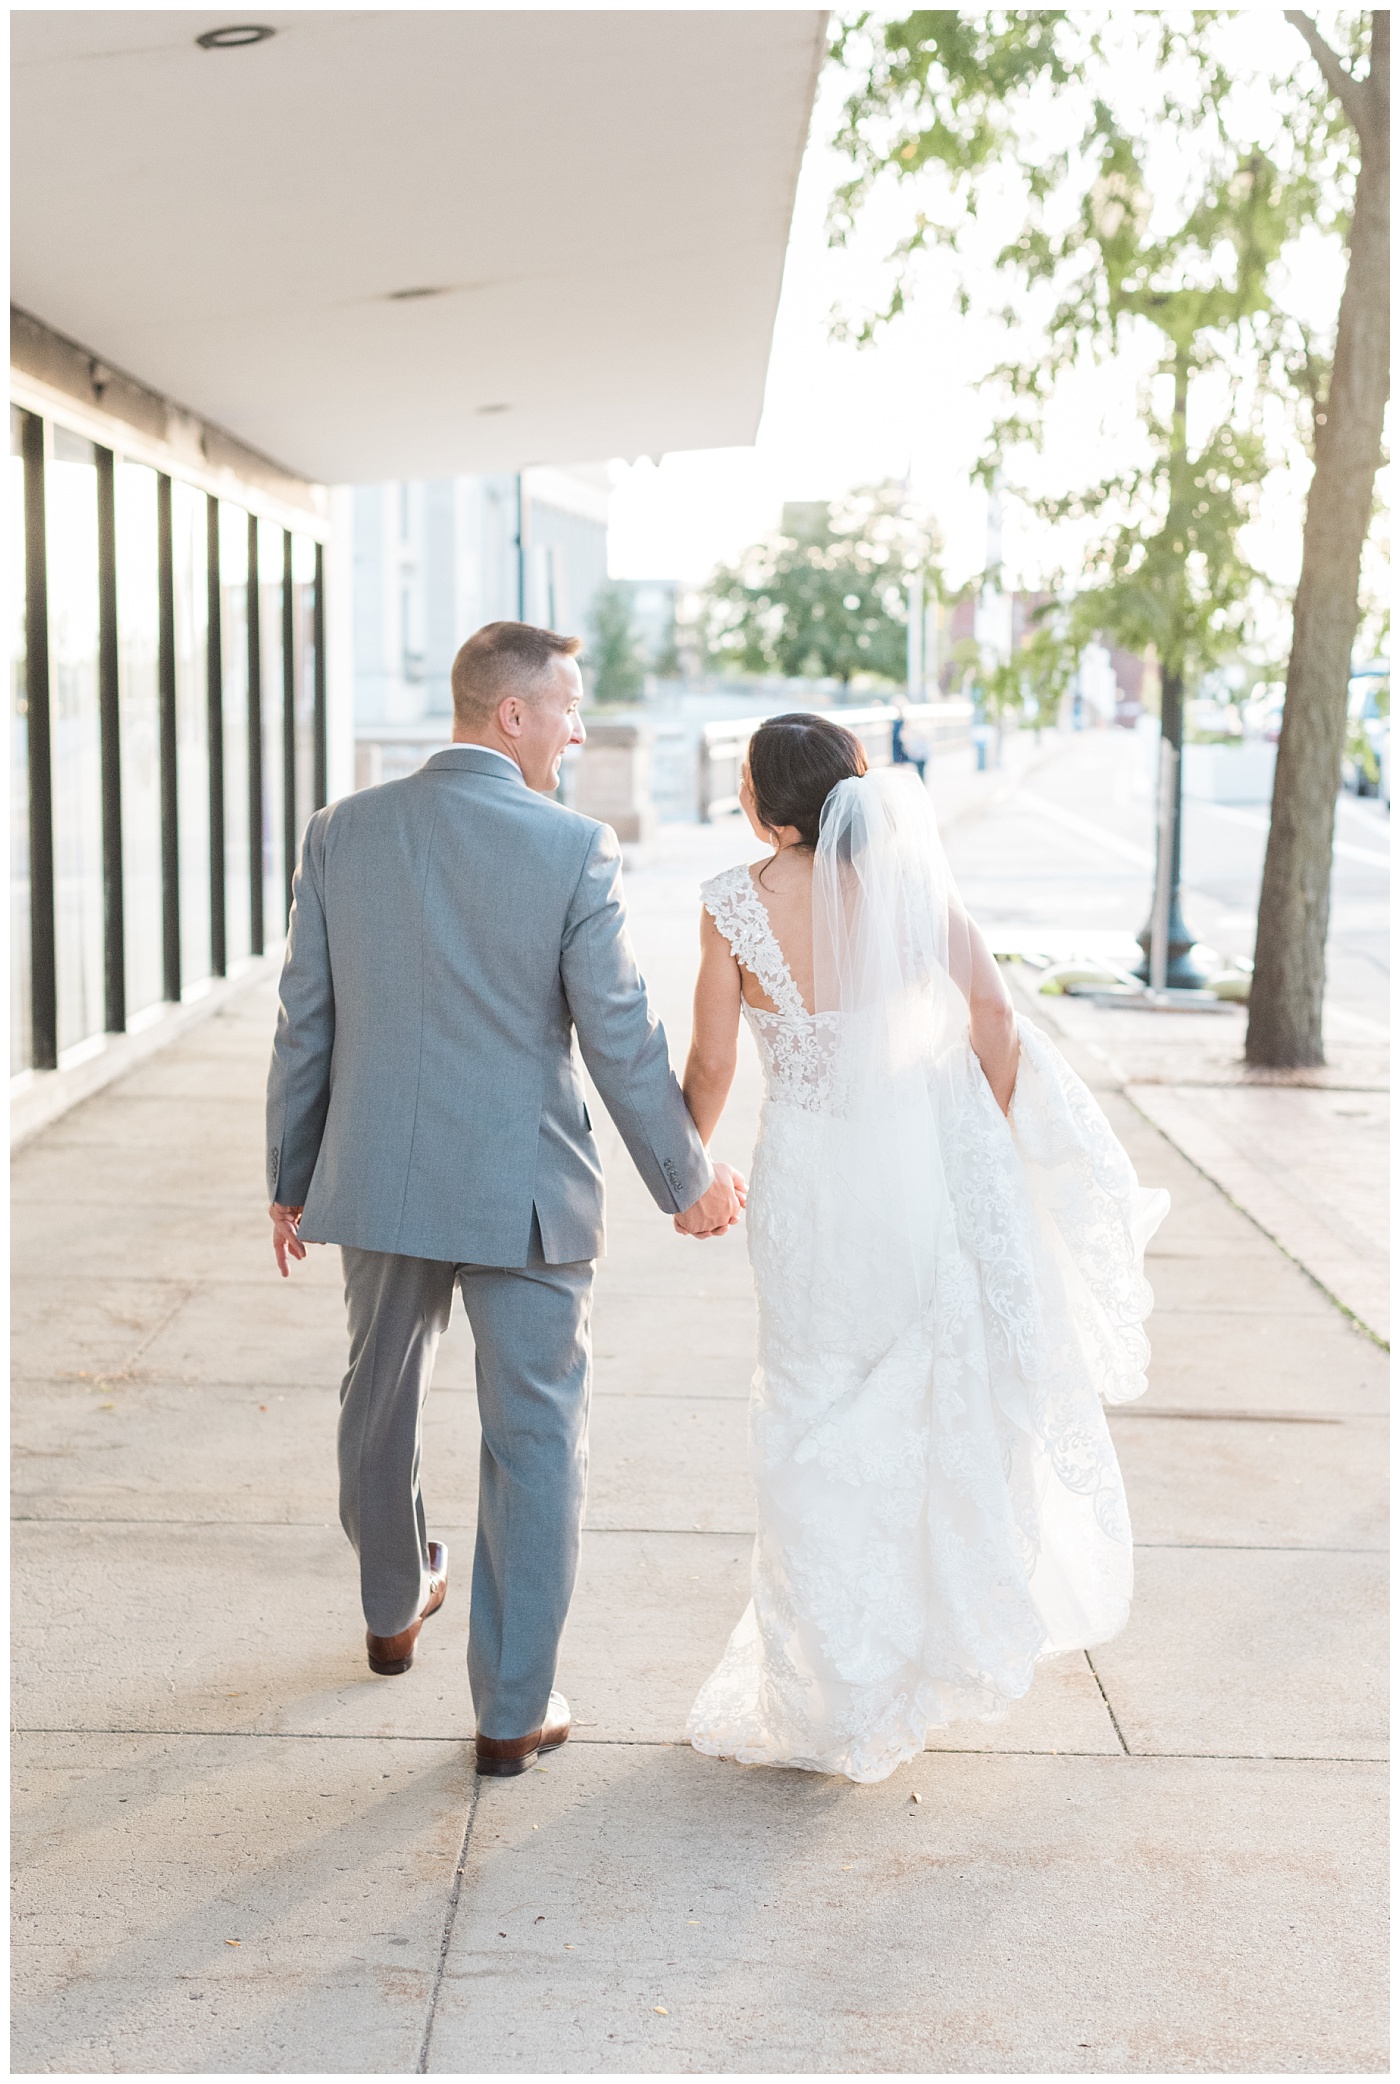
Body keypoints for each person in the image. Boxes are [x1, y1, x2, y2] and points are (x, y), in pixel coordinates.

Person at [265, 620, 743, 1779]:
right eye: (569, 706)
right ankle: (510, 1710)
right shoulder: (572, 846)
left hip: (374, 1181)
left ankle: (391, 1604)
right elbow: (620, 1035)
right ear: (510, 714)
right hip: (525, 1196)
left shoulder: (341, 833)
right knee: (535, 1442)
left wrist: (291, 1179)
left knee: (375, 1401)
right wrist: (686, 1178)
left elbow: (305, 1022)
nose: (579, 728)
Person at [680, 713, 1168, 1784]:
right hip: (908, 1180)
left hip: (803, 1185)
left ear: (762, 803)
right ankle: (901, 1660)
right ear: (855, 785)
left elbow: (711, 1064)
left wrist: (689, 1170)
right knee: (910, 1398)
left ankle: (827, 1688)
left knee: (806, 1405)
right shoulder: (905, 884)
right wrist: (988, 1131)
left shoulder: (729, 904)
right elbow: (989, 1012)